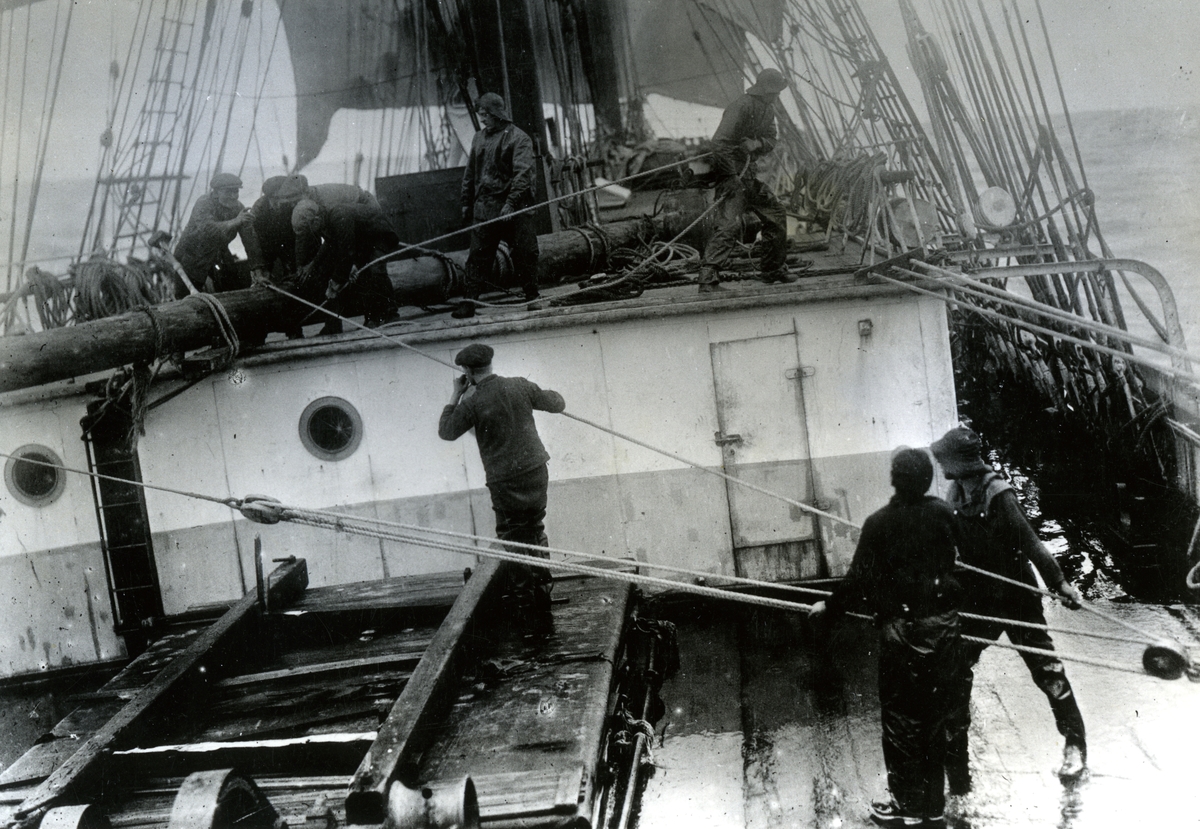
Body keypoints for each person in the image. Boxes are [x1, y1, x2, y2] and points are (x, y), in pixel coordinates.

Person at [811, 448, 962, 828]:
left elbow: (857, 580)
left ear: (894, 480)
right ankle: (934, 808)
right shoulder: (944, 513)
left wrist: (828, 609)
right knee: (935, 718)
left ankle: (907, 807)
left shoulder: (879, 523)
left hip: (903, 632)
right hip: (944, 629)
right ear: (928, 479)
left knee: (901, 720)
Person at [929, 426, 1087, 789]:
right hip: (978, 600)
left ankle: (1075, 746)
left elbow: (1031, 543)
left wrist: (1060, 583)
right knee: (953, 672)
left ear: (960, 462)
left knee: (1048, 672)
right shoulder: (956, 493)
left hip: (1016, 600)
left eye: (944, 459)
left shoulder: (999, 495)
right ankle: (957, 768)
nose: (940, 465)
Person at [437, 343, 565, 617]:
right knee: (535, 529)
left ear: (468, 371)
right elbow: (558, 403)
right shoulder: (519, 385)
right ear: (490, 364)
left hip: (506, 480)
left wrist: (455, 394)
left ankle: (526, 608)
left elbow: (446, 432)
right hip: (535, 470)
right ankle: (543, 594)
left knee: (513, 539)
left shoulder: (472, 402)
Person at [697, 67, 792, 293]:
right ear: (765, 90)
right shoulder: (741, 106)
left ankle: (772, 269)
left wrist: (756, 144)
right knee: (729, 224)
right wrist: (730, 176)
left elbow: (771, 139)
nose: (777, 96)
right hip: (731, 175)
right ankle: (707, 279)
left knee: (776, 213)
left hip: (748, 176)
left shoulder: (768, 110)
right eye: (775, 91)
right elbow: (719, 143)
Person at [270, 174, 401, 334]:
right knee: (361, 273)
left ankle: (392, 315)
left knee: (375, 270)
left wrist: (337, 281)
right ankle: (371, 318)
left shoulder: (336, 213)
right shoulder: (322, 215)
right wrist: (311, 265)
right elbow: (331, 242)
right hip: (361, 236)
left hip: (379, 234)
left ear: (315, 221)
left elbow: (346, 250)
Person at [455, 92, 540, 319]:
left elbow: (523, 175)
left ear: (497, 114)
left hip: (515, 208)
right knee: (477, 257)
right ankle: (469, 302)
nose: (482, 119)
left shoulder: (519, 139)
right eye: (480, 115)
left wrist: (511, 203)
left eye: (485, 114)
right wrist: (466, 202)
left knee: (525, 252)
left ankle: (532, 296)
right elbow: (470, 172)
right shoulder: (478, 138)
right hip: (486, 207)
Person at [173, 172, 264, 296]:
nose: (233, 196)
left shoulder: (238, 208)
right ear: (215, 193)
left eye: (236, 191)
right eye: (228, 192)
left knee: (232, 289)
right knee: (186, 296)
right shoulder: (204, 203)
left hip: (219, 254)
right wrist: (235, 221)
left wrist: (258, 272)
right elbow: (207, 229)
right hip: (192, 256)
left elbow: (250, 241)